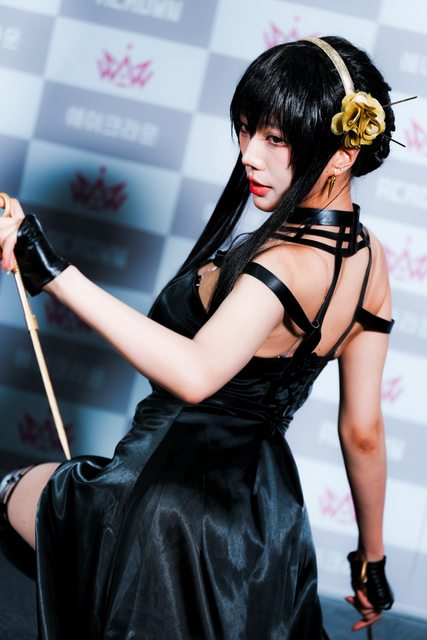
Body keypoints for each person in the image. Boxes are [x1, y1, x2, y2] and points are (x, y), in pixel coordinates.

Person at [0, 35, 395, 639]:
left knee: (12, 496)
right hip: (266, 524)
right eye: (247, 129)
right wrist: (372, 561)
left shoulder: (282, 267)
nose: (249, 155)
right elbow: (363, 431)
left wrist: (51, 270)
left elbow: (194, 373)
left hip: (165, 504)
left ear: (343, 153)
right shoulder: (369, 260)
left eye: (276, 138)